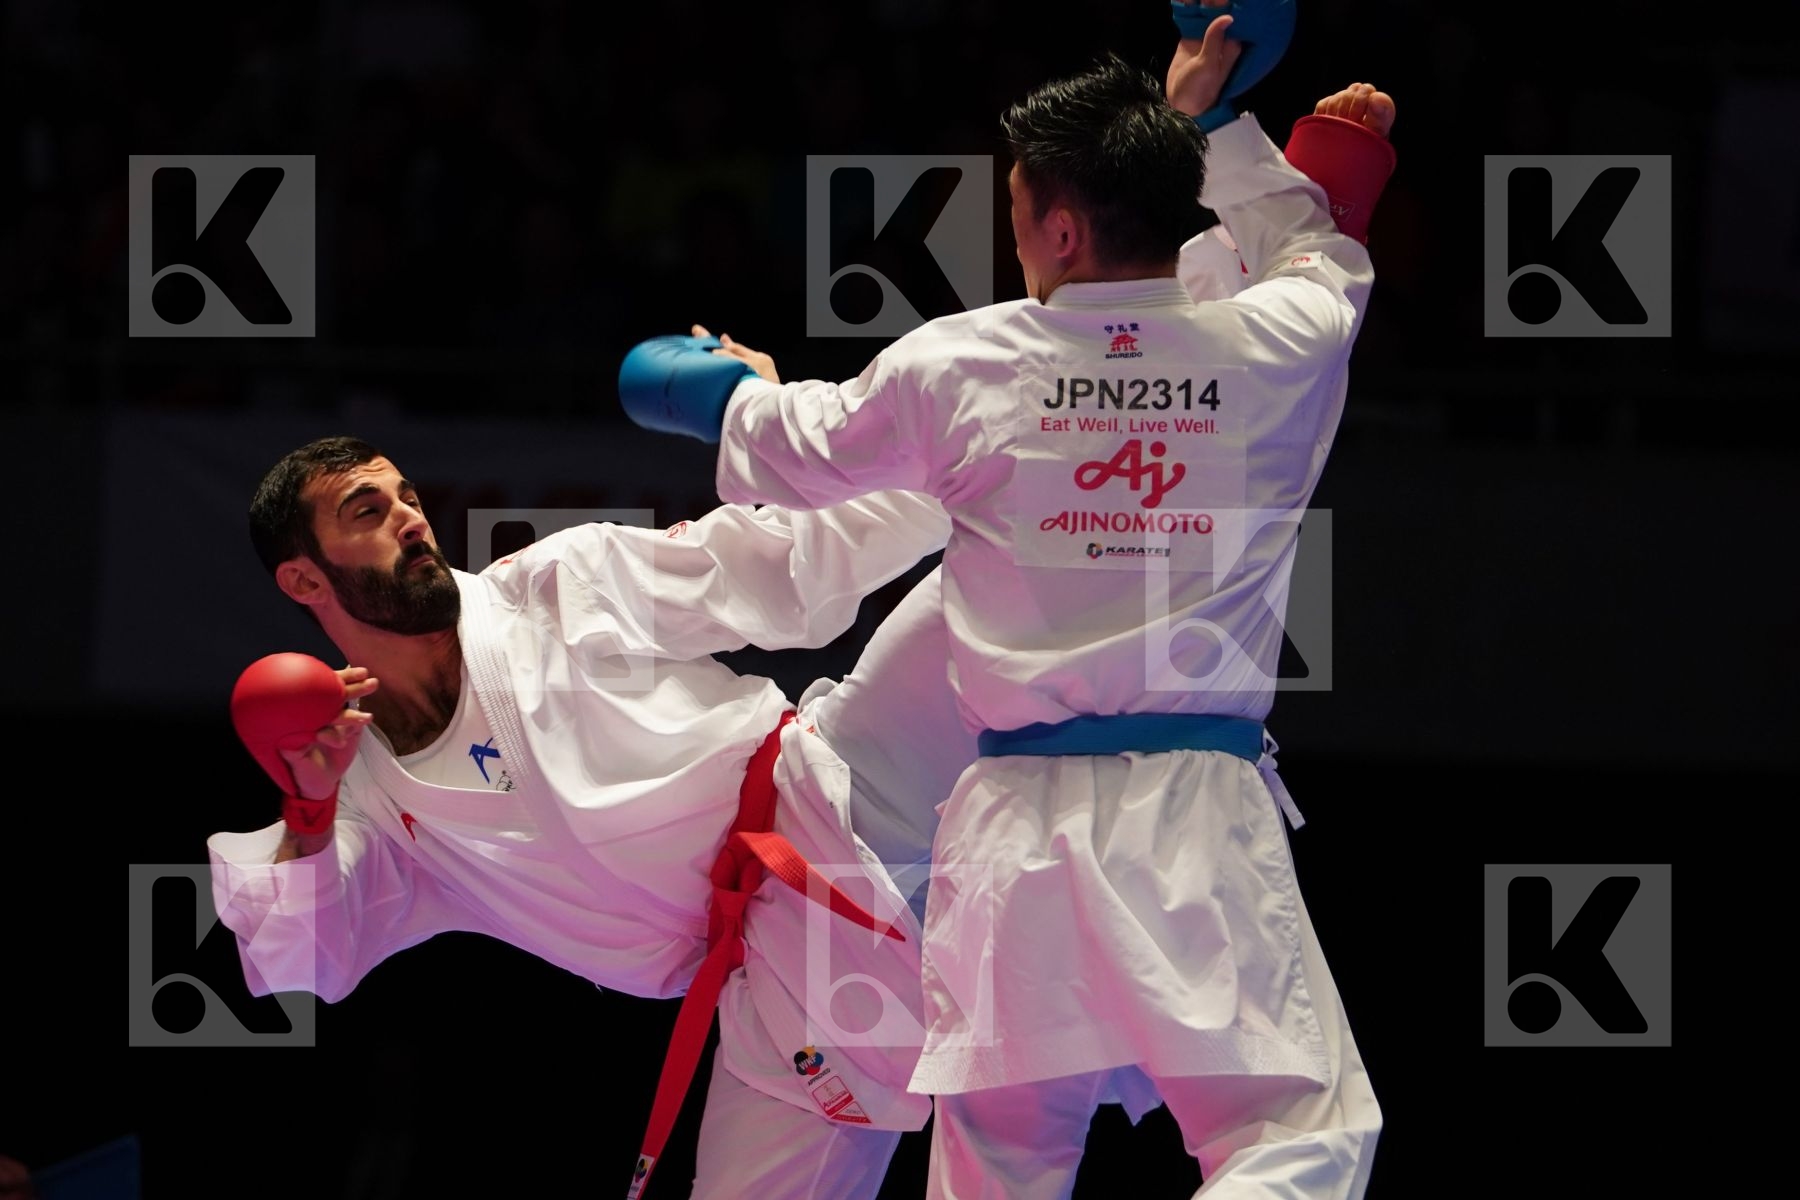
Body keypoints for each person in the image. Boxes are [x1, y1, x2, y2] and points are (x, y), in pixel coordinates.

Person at [622, 8, 1394, 1196]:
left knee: (1002, 1165)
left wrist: (703, 388)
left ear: (1062, 228)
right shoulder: (1282, 344)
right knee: (1297, 1137)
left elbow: (788, 443)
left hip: (1007, 832)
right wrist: (1221, 124)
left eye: (1019, 208)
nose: (1015, 231)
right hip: (1187, 809)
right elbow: (1310, 242)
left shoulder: (963, 364)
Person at [209, 435, 977, 1199]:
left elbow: (778, 562)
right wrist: (309, 807)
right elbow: (302, 958)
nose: (410, 518)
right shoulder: (369, 797)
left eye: (407, 497)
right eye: (367, 511)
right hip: (790, 987)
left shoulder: (549, 588)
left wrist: (943, 474)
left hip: (846, 784)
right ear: (304, 577)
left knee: (1010, 564)